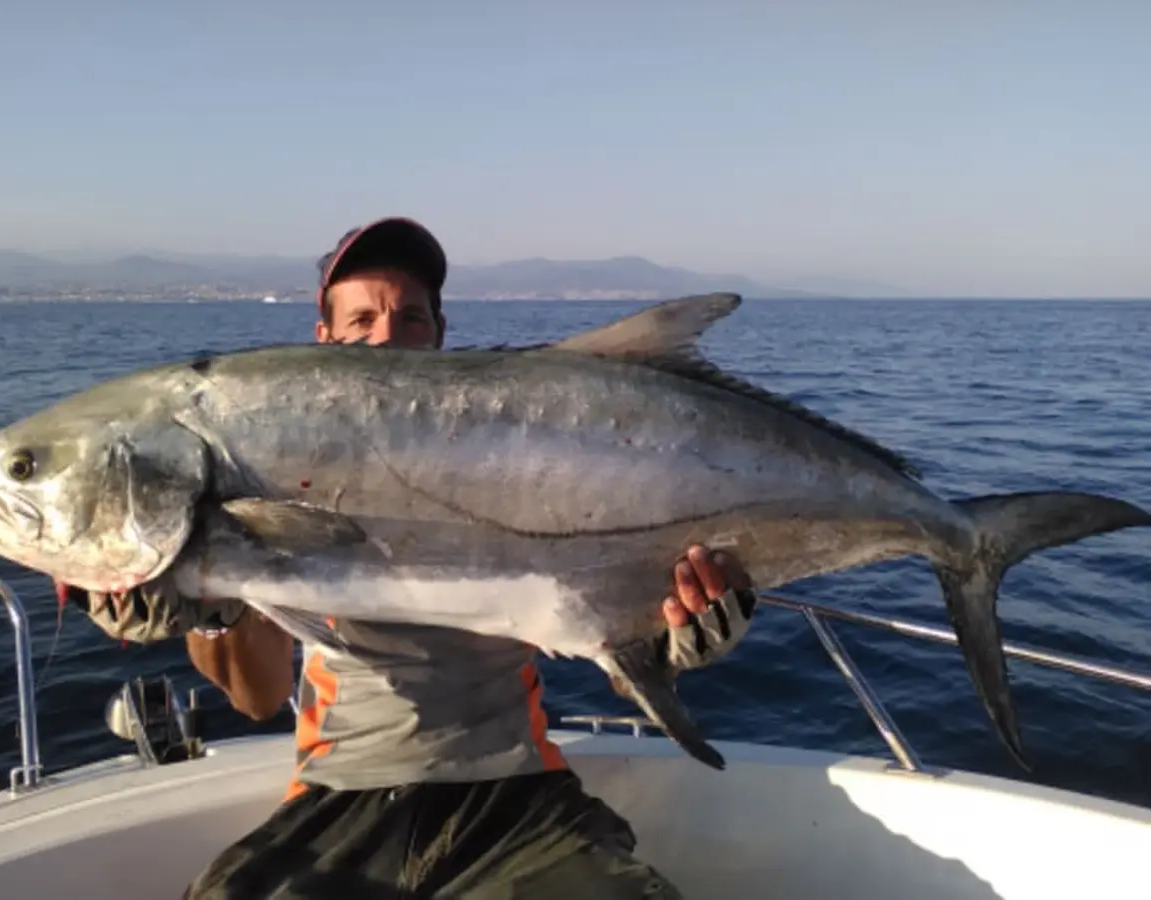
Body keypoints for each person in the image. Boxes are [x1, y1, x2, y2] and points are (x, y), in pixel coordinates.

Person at [63, 217, 760, 899]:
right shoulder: (278, 468)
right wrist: (205, 606)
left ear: (442, 335)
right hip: (342, 797)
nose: (386, 336)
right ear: (324, 341)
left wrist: (677, 641)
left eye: (412, 318)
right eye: (361, 320)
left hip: (518, 795)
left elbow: (605, 644)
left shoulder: (506, 458)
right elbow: (257, 697)